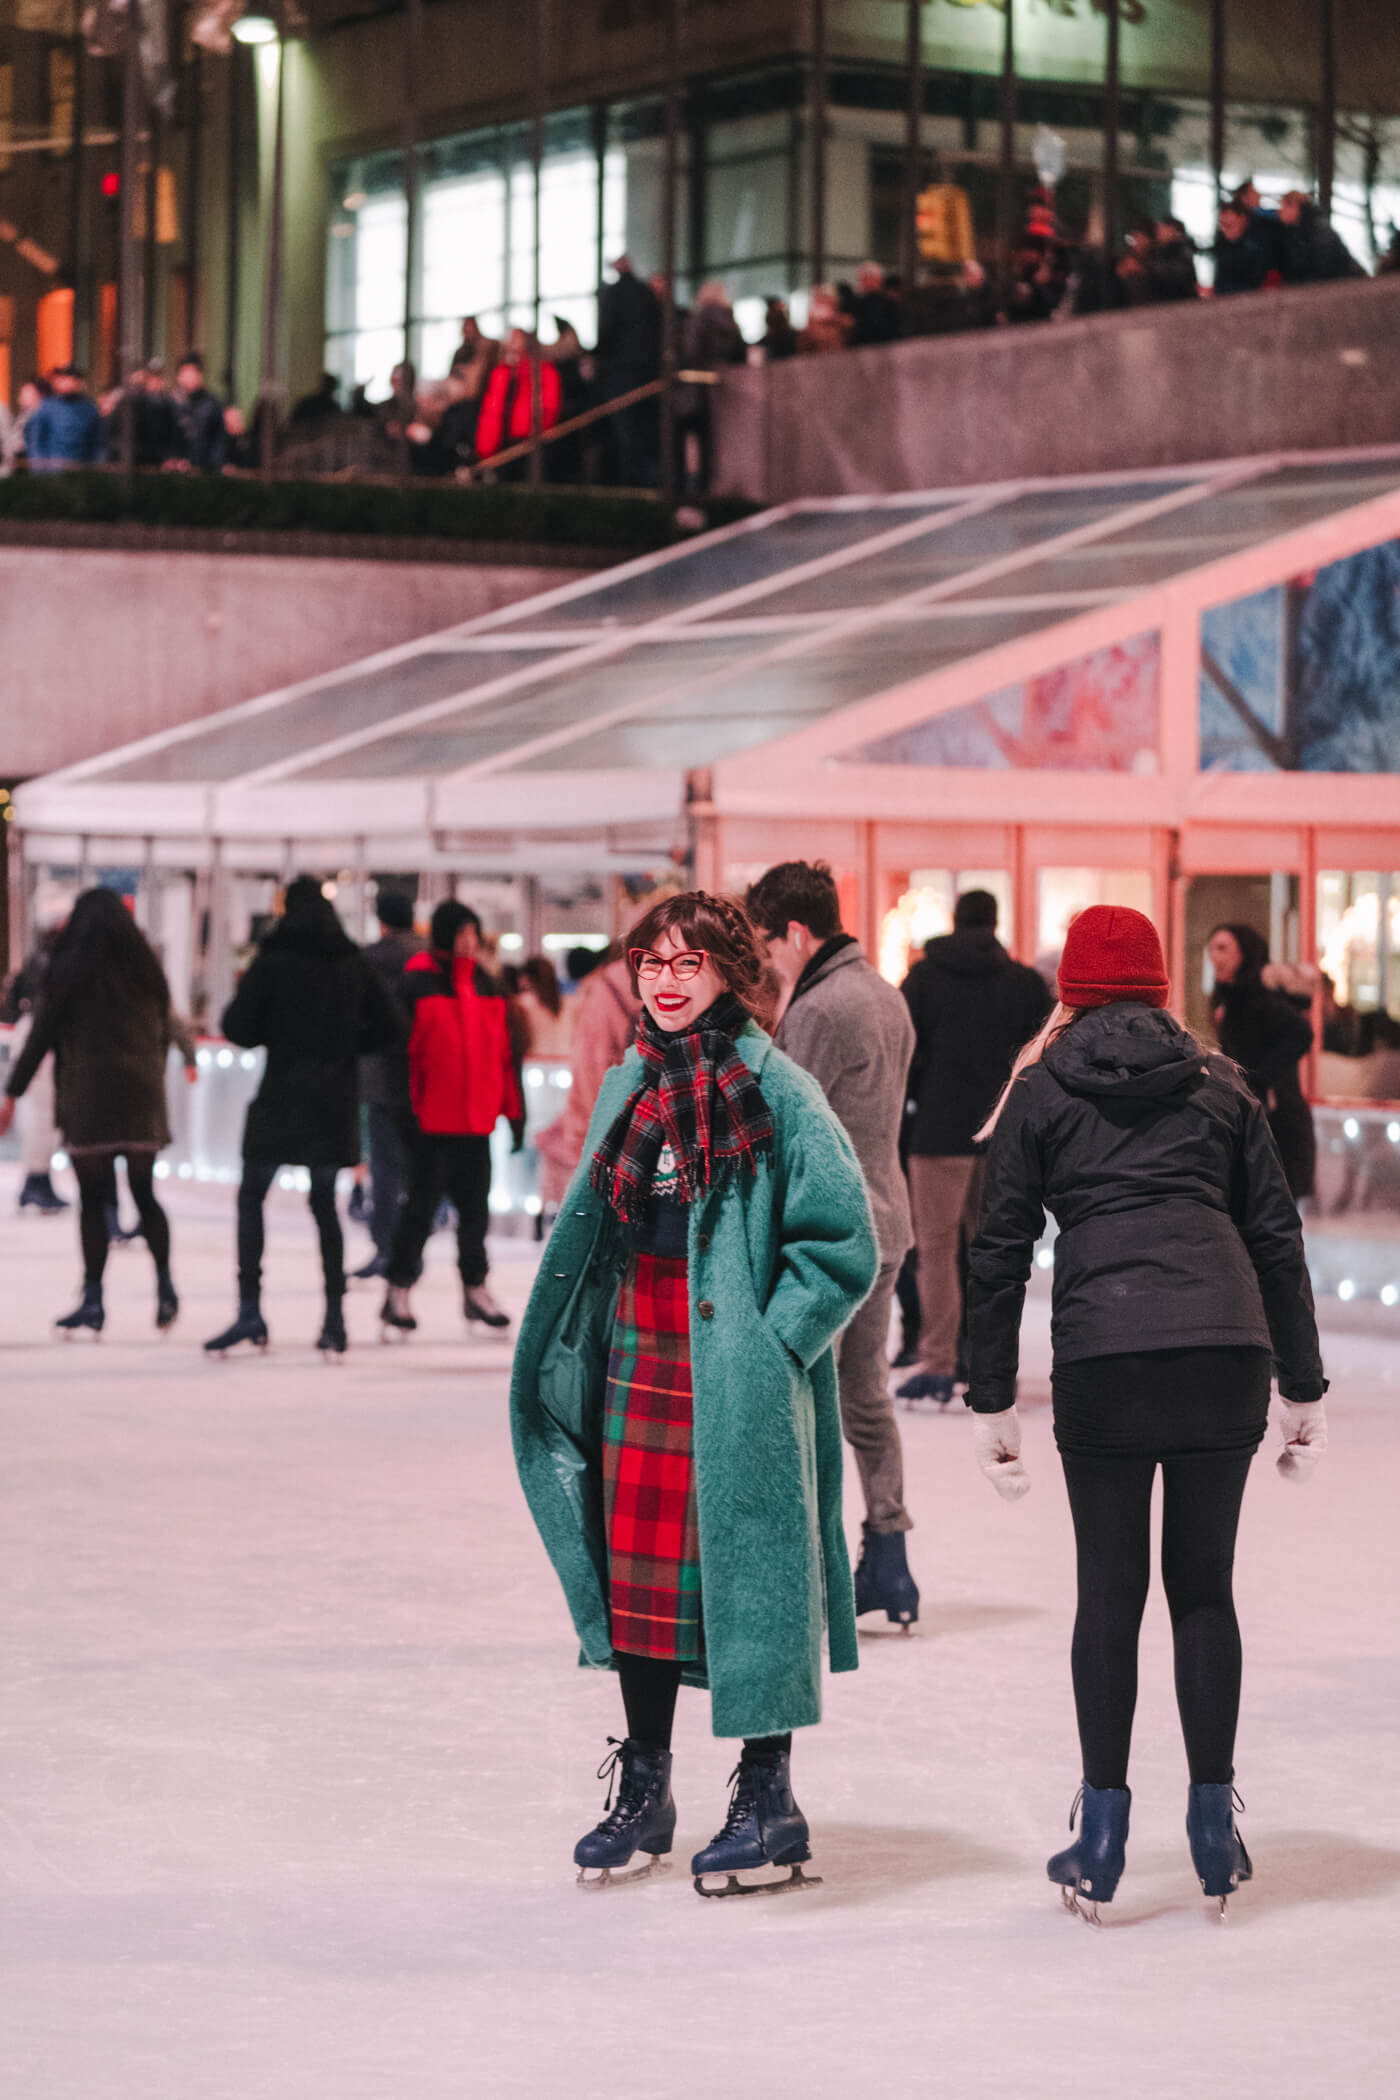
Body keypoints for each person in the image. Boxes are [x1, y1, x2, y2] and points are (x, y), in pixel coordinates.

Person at [511, 892, 878, 1895]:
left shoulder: (780, 1091)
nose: (665, 983)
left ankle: (767, 1795)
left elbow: (843, 1244)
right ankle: (645, 1785)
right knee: (637, 1580)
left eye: (688, 965)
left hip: (738, 1371)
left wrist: (772, 1347)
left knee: (750, 1575)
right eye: (651, 963)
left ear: (728, 976)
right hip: (640, 1350)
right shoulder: (634, 1079)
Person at [966, 905, 1327, 1921]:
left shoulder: (1040, 1087)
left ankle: (1104, 1830)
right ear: (1161, 985)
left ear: (1070, 989)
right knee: (1202, 1589)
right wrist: (1298, 1383)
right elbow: (1272, 1234)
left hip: (1105, 1358)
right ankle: (1210, 1827)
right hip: (1222, 1351)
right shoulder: (1218, 1082)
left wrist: (990, 1395)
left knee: (1109, 1592)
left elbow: (994, 1249)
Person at [746, 859, 920, 1630]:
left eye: (765, 942)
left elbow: (786, 1126)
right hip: (887, 1223)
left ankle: (813, 1572)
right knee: (866, 1396)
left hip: (831, 1236)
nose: (766, 961)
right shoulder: (887, 995)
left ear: (795, 931)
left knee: (805, 1402)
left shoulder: (818, 1009)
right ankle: (890, 1554)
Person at [205, 878, 402, 1357]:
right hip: (333, 1101)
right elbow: (392, 1027)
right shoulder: (351, 964)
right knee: (323, 1206)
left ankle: (250, 1307)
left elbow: (237, 1028)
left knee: (252, 1196)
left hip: (280, 1097)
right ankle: (334, 1319)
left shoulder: (272, 963)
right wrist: (348, 1046)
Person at [0, 888, 196, 1335]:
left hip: (89, 1100)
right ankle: (165, 1286)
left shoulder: (69, 971)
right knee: (145, 1195)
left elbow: (41, 1035)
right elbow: (168, 1025)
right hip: (142, 1099)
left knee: (92, 1200)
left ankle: (93, 1298)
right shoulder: (146, 972)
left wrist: (12, 1093)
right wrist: (175, 1060)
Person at [898, 890, 1052, 1405]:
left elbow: (906, 1052)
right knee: (991, 1250)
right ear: (995, 922)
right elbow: (1042, 1051)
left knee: (937, 1251)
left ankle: (939, 1359)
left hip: (937, 1132)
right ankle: (989, 1362)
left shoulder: (923, 979)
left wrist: (917, 1101)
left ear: (956, 920)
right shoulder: (1023, 983)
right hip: (1001, 1133)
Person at [380, 901, 524, 1336]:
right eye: (461, 934)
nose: (468, 942)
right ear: (444, 935)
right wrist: (406, 1109)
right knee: (420, 1209)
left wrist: (514, 1112)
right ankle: (399, 1289)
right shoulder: (416, 983)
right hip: (429, 1120)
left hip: (475, 1120)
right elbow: (400, 1055)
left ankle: (476, 1289)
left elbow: (504, 1054)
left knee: (475, 1212)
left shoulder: (486, 984)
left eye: (473, 934)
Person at [1207, 923, 1316, 1202]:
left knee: (1277, 1207)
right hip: (1251, 1114)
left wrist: (1257, 1077)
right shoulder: (1226, 999)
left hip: (1279, 1119)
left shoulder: (1261, 998)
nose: (1214, 956)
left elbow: (1302, 1033)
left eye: (1223, 948)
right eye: (1211, 948)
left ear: (1244, 953)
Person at [534, 944, 642, 1213]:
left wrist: (581, 1139)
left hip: (614, 1123)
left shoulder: (604, 994)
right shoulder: (653, 981)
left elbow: (590, 1071)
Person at [354, 889, 424, 1280]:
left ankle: (386, 1246)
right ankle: (413, 1247)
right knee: (418, 1164)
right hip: (425, 1073)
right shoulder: (430, 957)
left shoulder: (371, 959)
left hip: (380, 1074)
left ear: (381, 920)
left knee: (385, 1165)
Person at [1, 926, 69, 1212]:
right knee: (43, 1116)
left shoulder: (40, 960)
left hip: (39, 1042)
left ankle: (40, 1179)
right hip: (42, 1046)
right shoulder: (50, 963)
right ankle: (36, 1180)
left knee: (46, 1118)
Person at [596, 255, 662, 487]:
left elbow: (607, 331)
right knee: (645, 433)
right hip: (647, 374)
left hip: (621, 373)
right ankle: (649, 481)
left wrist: (598, 360)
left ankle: (633, 482)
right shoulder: (646, 293)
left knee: (626, 432)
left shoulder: (615, 293)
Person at [473, 330, 562, 478]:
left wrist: (538, 431)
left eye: (515, 341)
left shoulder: (542, 372)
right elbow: (490, 410)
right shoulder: (500, 374)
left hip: (528, 442)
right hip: (500, 442)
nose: (511, 345)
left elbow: (549, 406)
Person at [1276, 190, 1365, 284]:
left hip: (1348, 283)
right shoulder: (1295, 231)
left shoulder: (1317, 227)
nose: (1280, 212)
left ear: (1294, 206)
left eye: (1283, 207)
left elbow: (1325, 263)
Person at [25, 365, 102, 471]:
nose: (65, 382)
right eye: (61, 379)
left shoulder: (89, 409)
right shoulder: (47, 407)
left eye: (70, 378)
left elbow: (97, 443)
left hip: (81, 469)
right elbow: (37, 441)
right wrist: (39, 469)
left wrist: (96, 467)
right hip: (53, 470)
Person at [170, 356, 227, 472]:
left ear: (200, 376)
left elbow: (219, 439)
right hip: (175, 468)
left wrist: (213, 465)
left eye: (192, 375)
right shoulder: (170, 403)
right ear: (179, 377)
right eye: (185, 374)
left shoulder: (213, 404)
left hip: (204, 469)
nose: (188, 379)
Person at [514, 954, 572, 1059]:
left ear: (527, 979)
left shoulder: (524, 1003)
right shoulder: (569, 1004)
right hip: (564, 1060)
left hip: (535, 1061)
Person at [1147, 216, 1200, 301]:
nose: (1157, 233)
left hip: (1179, 301)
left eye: (1161, 229)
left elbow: (1180, 274)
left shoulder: (1182, 249)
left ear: (1172, 229)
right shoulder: (1160, 251)